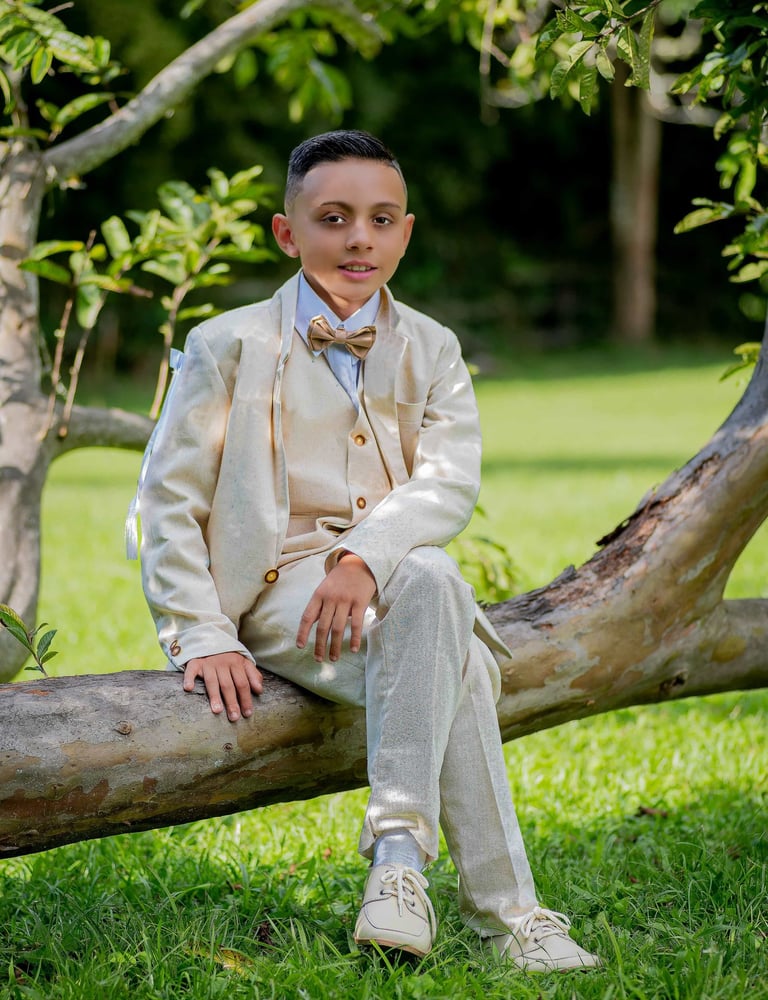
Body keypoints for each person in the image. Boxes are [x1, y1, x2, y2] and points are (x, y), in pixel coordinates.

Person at [135, 129, 600, 972]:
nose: (359, 239)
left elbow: (448, 482)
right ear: (288, 233)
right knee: (460, 664)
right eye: (335, 218)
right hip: (279, 591)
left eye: (381, 220)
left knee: (427, 572)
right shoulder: (226, 344)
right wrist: (201, 633)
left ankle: (397, 863)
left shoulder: (433, 347)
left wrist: (362, 557)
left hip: (385, 589)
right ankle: (511, 917)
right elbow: (167, 503)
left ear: (406, 232)